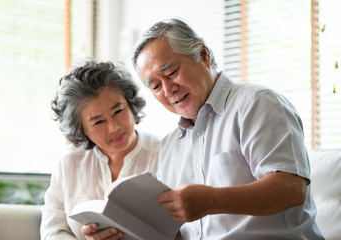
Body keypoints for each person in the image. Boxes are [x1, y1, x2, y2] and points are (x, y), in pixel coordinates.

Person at [132, 18, 324, 239]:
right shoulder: (168, 145)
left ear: (203, 55)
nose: (167, 90)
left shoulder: (256, 103)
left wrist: (211, 200)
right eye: (155, 86)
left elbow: (291, 189)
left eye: (172, 72)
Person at [40, 59, 159, 240]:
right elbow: (52, 231)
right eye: (98, 122)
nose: (114, 127)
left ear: (130, 104)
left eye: (118, 111)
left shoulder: (163, 153)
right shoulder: (69, 162)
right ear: (81, 130)